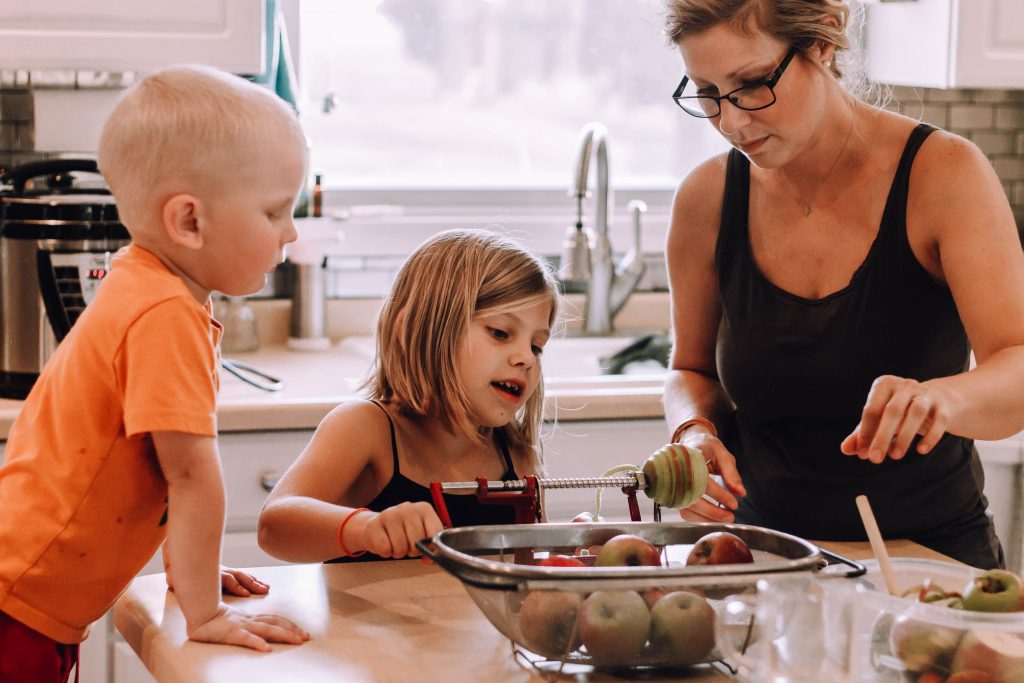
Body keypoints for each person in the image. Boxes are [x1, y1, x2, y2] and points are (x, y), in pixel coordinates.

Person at [660, 0, 1024, 568]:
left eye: (753, 84)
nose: (730, 122)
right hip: (760, 560)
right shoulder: (706, 199)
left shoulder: (945, 174)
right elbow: (692, 369)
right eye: (706, 92)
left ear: (824, 40)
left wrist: (941, 399)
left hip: (928, 564)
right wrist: (692, 432)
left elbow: (1017, 365)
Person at [0, 64, 312, 682]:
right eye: (275, 212)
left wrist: (190, 567)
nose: (291, 233)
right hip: (18, 615)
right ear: (189, 222)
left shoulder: (144, 284)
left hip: (27, 599)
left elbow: (152, 475)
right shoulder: (165, 313)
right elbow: (191, 474)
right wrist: (205, 612)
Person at [257, 229, 559, 563]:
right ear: (417, 328)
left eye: (537, 346)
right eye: (500, 333)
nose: (526, 358)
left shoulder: (514, 453)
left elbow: (529, 566)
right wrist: (366, 528)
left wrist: (573, 552)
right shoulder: (367, 429)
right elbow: (275, 525)